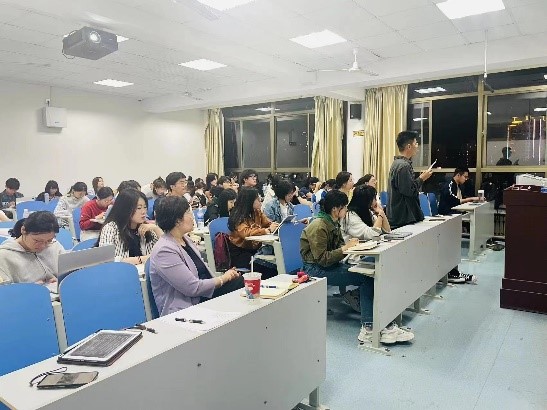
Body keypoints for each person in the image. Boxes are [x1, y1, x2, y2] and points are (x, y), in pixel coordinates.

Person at [300, 190, 413, 344]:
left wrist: (354, 247)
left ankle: (382, 322)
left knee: (371, 273)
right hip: (315, 269)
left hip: (331, 265)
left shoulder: (332, 222)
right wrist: (346, 248)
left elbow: (339, 247)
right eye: (344, 207)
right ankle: (368, 328)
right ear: (335, 209)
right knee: (366, 278)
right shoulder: (319, 226)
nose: (346, 210)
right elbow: (322, 259)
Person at [149, 196, 243, 316]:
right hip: (185, 307)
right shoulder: (164, 250)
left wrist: (227, 277)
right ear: (177, 221)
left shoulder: (185, 240)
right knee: (240, 285)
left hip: (203, 296)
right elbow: (193, 288)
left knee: (241, 282)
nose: (192, 216)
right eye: (188, 213)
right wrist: (223, 278)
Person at [99, 189, 162, 265]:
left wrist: (156, 229)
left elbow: (166, 250)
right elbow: (106, 260)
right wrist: (141, 259)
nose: (144, 212)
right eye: (139, 208)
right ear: (125, 209)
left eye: (145, 207)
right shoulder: (111, 228)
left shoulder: (146, 227)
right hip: (123, 271)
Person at [437, 167, 479, 284]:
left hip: (454, 214)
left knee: (454, 244)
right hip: (446, 215)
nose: (466, 179)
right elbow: (454, 201)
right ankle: (450, 272)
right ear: (458, 175)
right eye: (465, 176)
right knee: (451, 244)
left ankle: (453, 271)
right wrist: (470, 199)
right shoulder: (449, 185)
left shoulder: (458, 186)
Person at [0, 211, 65, 284]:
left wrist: (60, 281)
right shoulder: (4, 256)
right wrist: (30, 288)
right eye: (37, 241)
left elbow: (68, 274)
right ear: (23, 230)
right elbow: (4, 289)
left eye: (49, 240)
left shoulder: (54, 245)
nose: (43, 246)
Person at [227, 187, 279, 278]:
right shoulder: (238, 215)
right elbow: (245, 232)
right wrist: (266, 230)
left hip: (254, 250)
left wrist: (274, 225)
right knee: (269, 269)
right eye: (257, 199)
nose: (260, 201)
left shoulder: (257, 212)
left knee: (274, 265)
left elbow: (267, 223)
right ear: (249, 201)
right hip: (240, 253)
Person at [387, 131, 433, 229]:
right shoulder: (403, 166)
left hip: (399, 216)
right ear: (409, 146)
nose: (417, 146)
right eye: (415, 143)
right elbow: (409, 191)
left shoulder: (397, 163)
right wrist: (422, 178)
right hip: (403, 217)